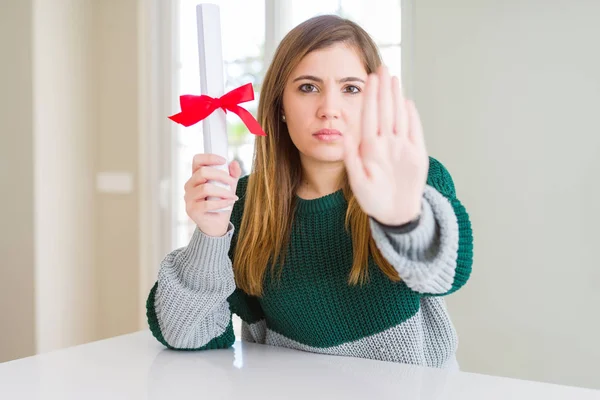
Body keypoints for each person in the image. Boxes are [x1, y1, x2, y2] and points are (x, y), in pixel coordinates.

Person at [146, 14, 473, 370]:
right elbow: (185, 333)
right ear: (280, 106)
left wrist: (404, 221)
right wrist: (210, 237)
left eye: (351, 89)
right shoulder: (244, 205)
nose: (328, 110)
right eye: (308, 87)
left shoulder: (412, 180)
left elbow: (445, 277)